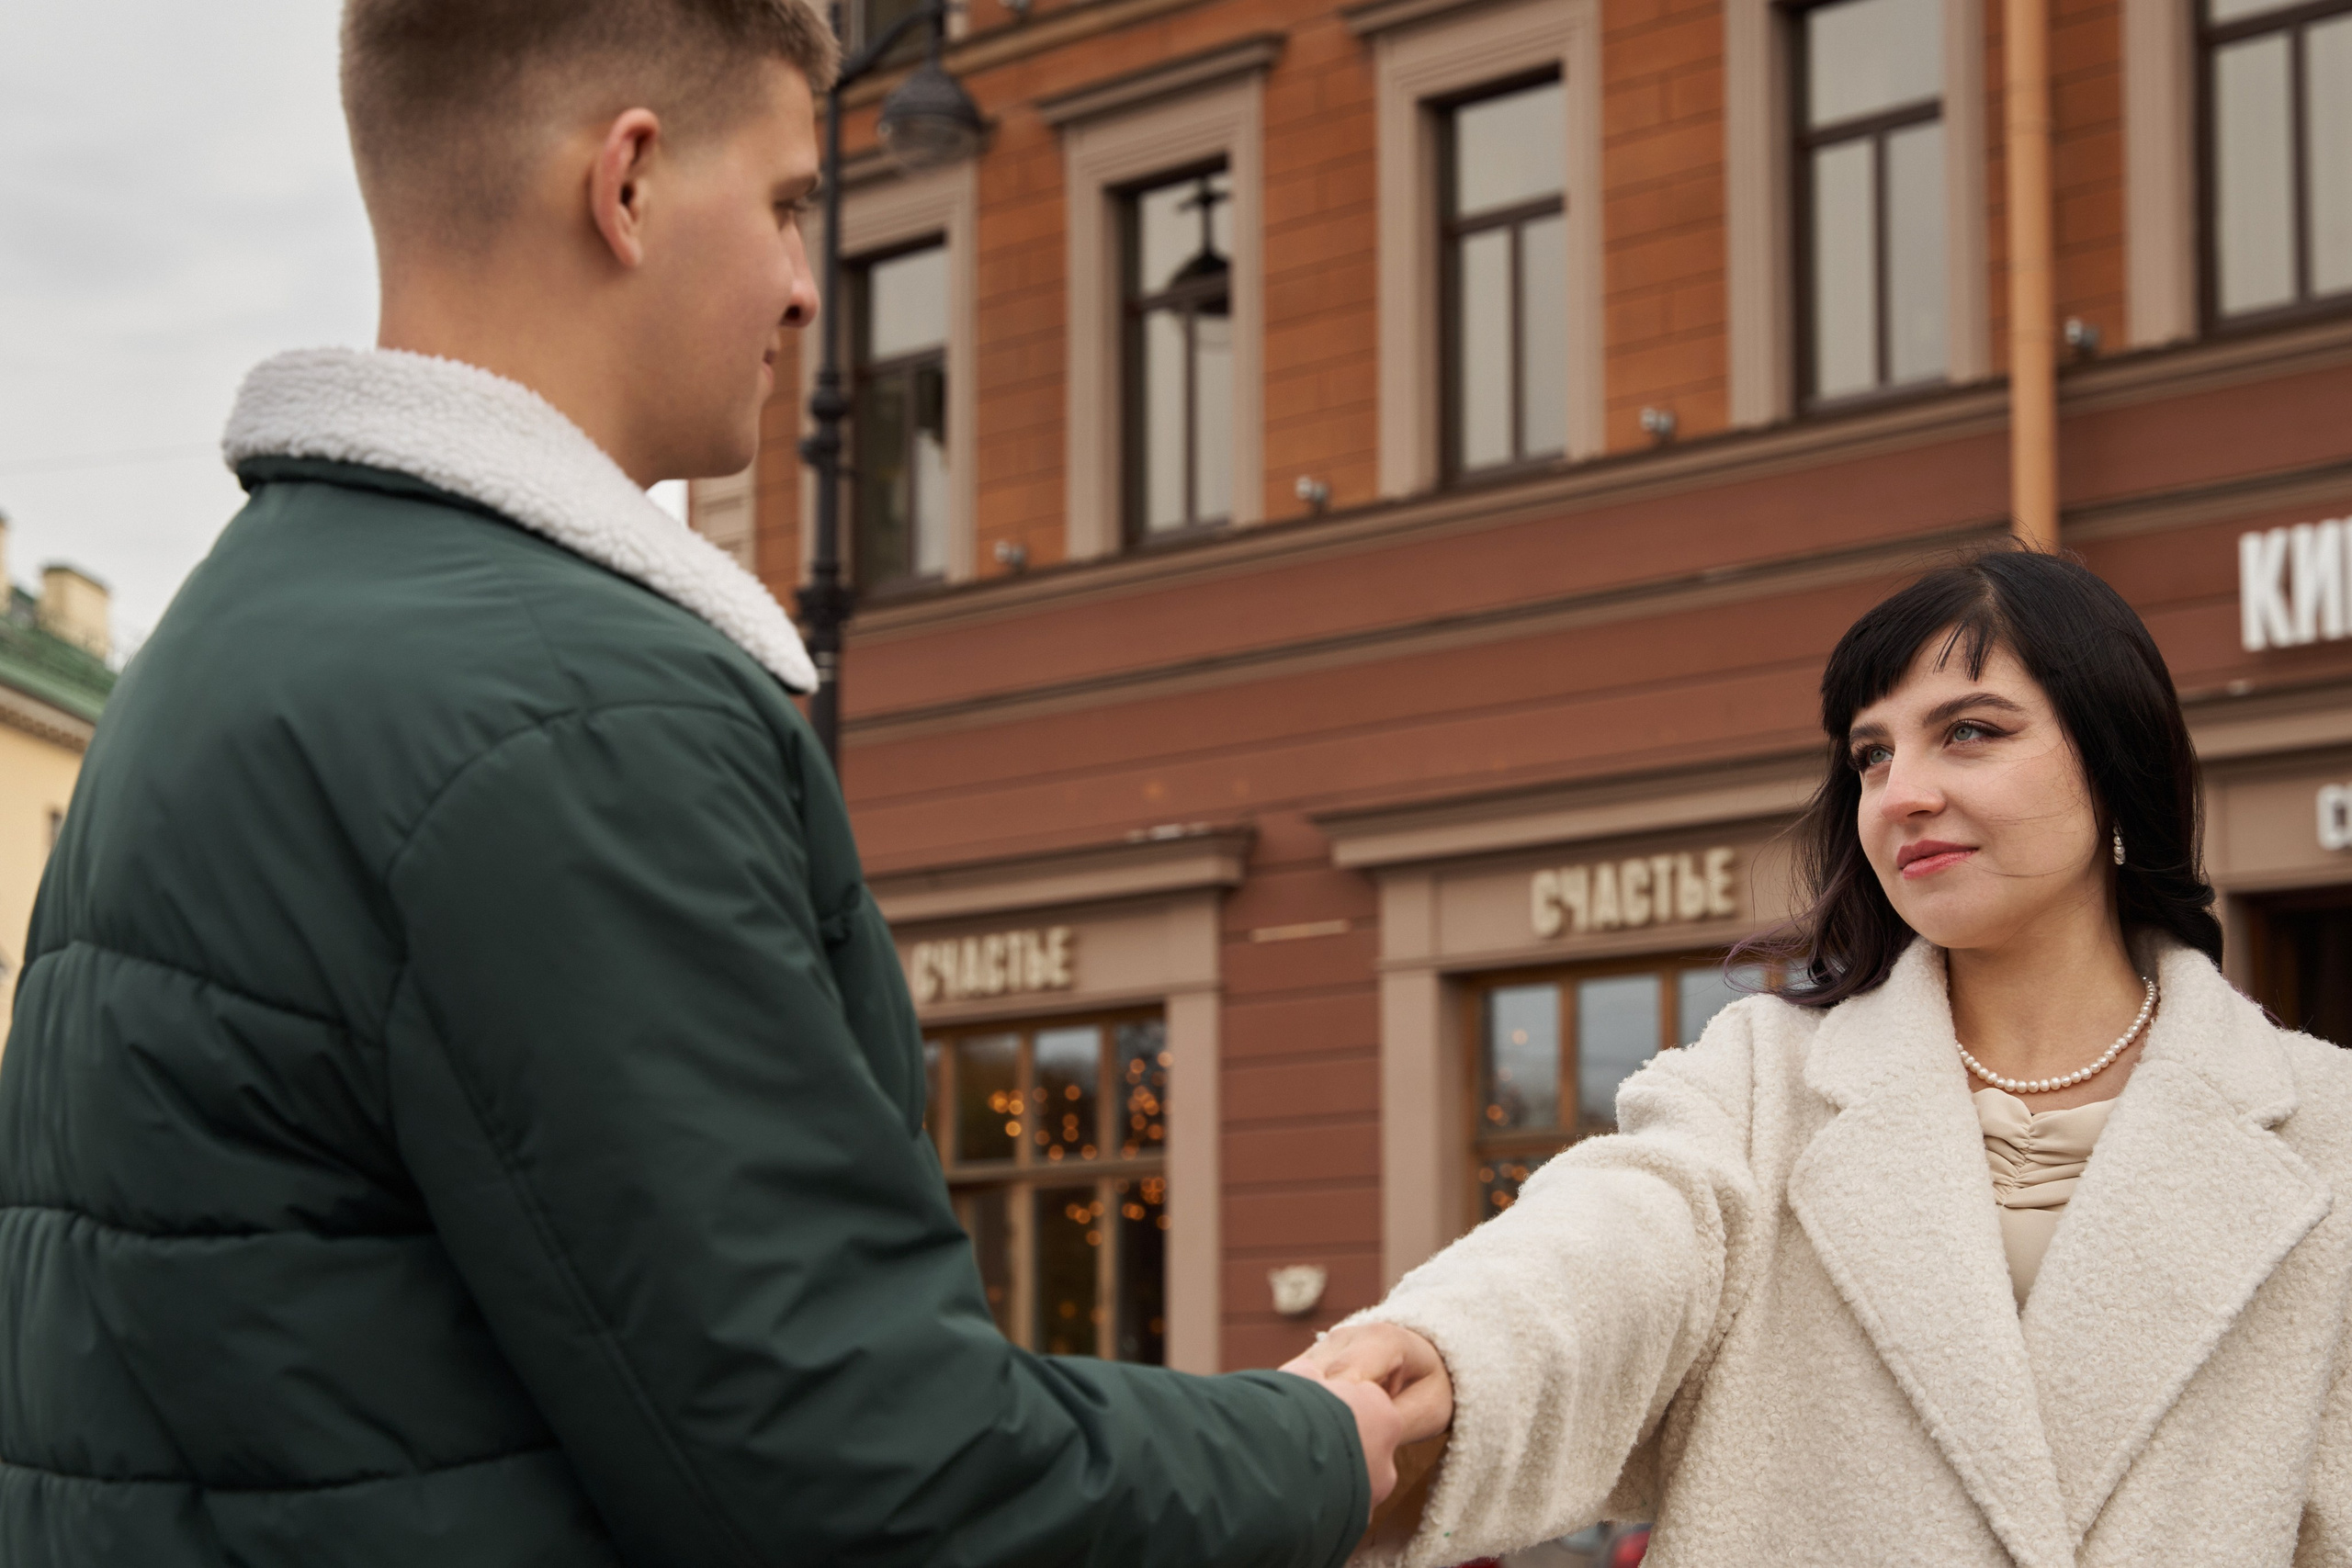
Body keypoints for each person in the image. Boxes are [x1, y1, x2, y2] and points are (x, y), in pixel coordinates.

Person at [0, 3, 1401, 1563]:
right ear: (632, 184)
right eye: (793, 203)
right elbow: (876, 1475)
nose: (808, 287)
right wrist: (1320, 1445)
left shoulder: (217, 645)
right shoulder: (569, 710)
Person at [1306, 548, 2352, 1567]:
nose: (1900, 794)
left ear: (2113, 763)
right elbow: (1612, 1240)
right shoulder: (1759, 1085)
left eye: (1969, 733)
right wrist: (1445, 1349)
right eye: (1871, 755)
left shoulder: (2326, 1130)